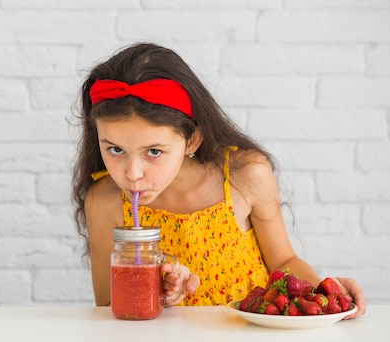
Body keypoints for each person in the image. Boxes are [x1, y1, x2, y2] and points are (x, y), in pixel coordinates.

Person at [71, 42, 366, 318]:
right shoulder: (105, 201)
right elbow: (108, 307)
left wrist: (327, 296)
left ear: (192, 139)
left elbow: (284, 261)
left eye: (154, 151)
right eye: (116, 149)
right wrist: (156, 289)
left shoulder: (245, 174)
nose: (132, 173)